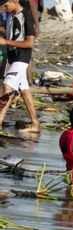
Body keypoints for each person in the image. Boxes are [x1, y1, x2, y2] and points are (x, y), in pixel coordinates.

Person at [0, 0, 39, 134]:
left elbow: (29, 43)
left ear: (14, 1)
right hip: (12, 58)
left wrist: (6, 41)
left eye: (6, 6)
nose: (4, 8)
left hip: (22, 58)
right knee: (25, 91)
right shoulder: (10, 16)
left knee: (7, 85)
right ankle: (35, 124)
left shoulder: (26, 15)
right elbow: (8, 32)